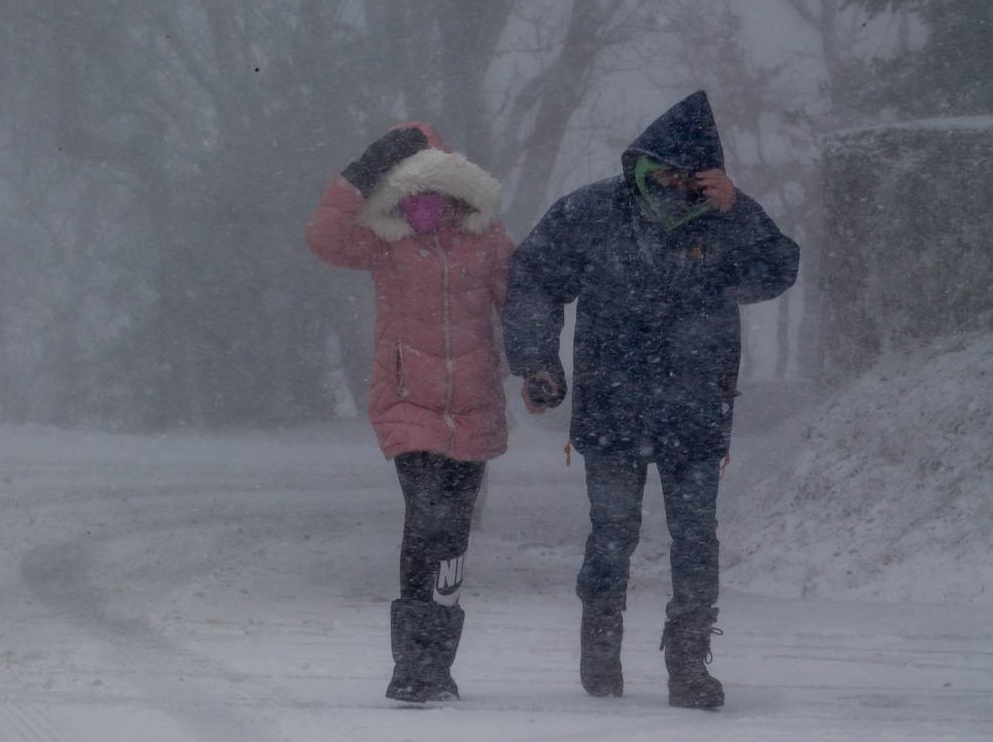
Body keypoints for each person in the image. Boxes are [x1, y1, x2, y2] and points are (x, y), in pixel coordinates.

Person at [502, 91, 799, 709]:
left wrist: (739, 211)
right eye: (664, 169)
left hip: (697, 406)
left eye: (689, 175)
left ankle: (688, 665)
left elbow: (774, 273)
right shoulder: (592, 212)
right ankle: (600, 652)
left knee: (696, 537)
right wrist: (537, 361)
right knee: (612, 531)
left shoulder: (725, 219)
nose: (674, 183)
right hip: (612, 406)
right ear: (641, 161)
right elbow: (532, 274)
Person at [307, 123, 513, 703]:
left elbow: (520, 302)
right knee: (426, 520)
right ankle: (413, 665)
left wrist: (537, 366)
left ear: (456, 195)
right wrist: (359, 172)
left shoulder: (488, 240)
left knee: (451, 535)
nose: (421, 207)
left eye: (433, 194)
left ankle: (436, 661)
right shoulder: (386, 243)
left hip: (474, 408)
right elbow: (324, 237)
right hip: (407, 405)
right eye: (409, 194)